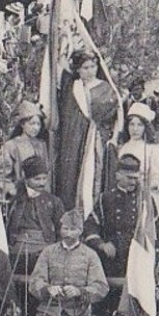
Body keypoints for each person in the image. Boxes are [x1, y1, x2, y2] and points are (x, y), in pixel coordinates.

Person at [84, 154, 159, 316]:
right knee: (106, 311)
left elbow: (156, 233)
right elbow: (90, 226)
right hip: (111, 263)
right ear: (117, 175)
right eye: (128, 177)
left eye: (135, 178)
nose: (133, 182)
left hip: (137, 262)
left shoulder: (145, 200)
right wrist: (102, 245)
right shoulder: (106, 199)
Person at [55, 51, 120, 213]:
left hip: (96, 139)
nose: (90, 71)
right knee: (71, 176)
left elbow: (115, 117)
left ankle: (92, 216)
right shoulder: (73, 86)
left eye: (93, 66)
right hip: (74, 139)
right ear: (77, 69)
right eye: (85, 68)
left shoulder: (106, 88)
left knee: (94, 176)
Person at [7, 155, 65, 316]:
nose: (41, 182)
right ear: (26, 178)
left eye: (44, 178)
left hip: (44, 252)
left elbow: (62, 229)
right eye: (37, 178)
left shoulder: (53, 202)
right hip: (17, 251)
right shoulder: (15, 200)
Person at [117, 102, 159, 230]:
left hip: (145, 201)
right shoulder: (123, 148)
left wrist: (148, 185)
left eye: (139, 125)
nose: (135, 129)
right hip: (124, 201)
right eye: (132, 124)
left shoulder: (154, 150)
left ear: (146, 127)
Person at [0, 101, 48, 201]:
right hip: (19, 198)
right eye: (32, 123)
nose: (35, 128)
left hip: (40, 197)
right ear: (22, 124)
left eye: (38, 124)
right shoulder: (11, 146)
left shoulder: (41, 145)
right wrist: (13, 190)